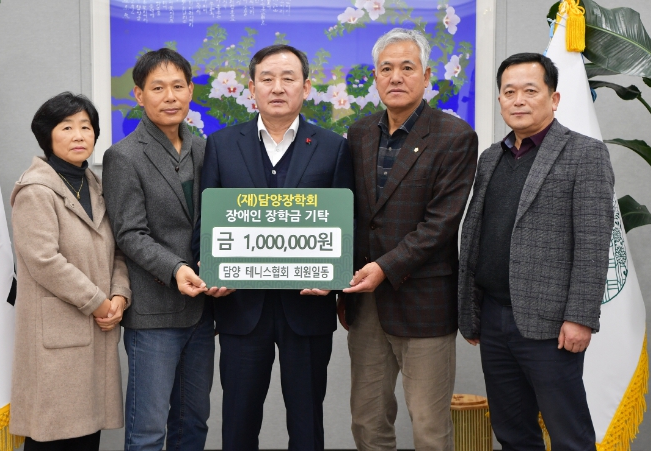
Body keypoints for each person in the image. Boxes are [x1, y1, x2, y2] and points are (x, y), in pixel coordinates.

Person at [192, 44, 354, 450]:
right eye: (267, 79)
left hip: (308, 308)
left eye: (288, 78)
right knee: (238, 423)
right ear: (252, 88)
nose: (277, 87)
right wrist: (210, 270)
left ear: (306, 87)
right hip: (241, 308)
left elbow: (346, 223)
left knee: (307, 424)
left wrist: (335, 277)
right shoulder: (222, 144)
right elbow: (206, 222)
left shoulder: (333, 146)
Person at [458, 53, 615, 451]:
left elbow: (593, 243)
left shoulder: (585, 154)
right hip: (494, 318)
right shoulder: (491, 157)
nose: (518, 100)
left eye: (530, 90)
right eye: (509, 92)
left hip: (552, 325)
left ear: (554, 98)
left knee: (569, 436)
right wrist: (472, 312)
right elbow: (477, 234)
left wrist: (580, 317)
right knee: (513, 434)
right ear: (500, 100)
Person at [340, 28, 478, 450]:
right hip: (366, 305)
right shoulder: (359, 133)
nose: (395, 77)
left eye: (407, 67)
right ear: (376, 77)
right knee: (367, 422)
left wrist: (384, 268)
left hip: (423, 303)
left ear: (427, 75)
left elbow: (441, 224)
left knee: (429, 428)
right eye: (386, 69)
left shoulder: (455, 137)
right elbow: (348, 214)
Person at [102, 48, 213, 451]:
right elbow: (130, 234)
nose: (170, 97)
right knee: (148, 432)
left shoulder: (205, 149)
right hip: (154, 314)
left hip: (202, 311)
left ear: (191, 91)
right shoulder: (124, 156)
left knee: (193, 424)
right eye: (158, 88)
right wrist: (176, 268)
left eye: (178, 87)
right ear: (139, 94)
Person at [10, 92, 131, 451]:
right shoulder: (35, 190)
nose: (79, 135)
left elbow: (118, 251)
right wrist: (98, 302)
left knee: (87, 435)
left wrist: (120, 295)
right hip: (57, 335)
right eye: (67, 127)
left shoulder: (96, 187)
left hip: (98, 329)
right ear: (47, 135)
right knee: (53, 435)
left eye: (86, 127)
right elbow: (44, 260)